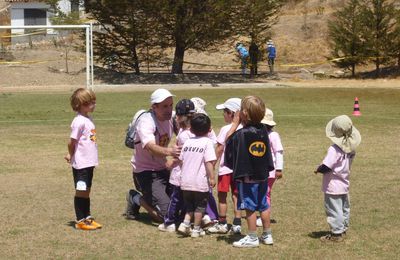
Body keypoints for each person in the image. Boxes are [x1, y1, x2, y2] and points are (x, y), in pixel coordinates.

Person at [224, 96, 275, 248]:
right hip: (262, 175)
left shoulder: (242, 134)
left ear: (244, 114)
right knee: (263, 205)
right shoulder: (264, 130)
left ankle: (252, 237)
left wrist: (235, 123)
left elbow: (228, 141)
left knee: (250, 206)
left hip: (248, 177)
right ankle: (267, 234)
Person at [126, 88, 181, 221]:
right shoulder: (146, 121)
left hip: (163, 169)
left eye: (170, 105)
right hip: (146, 173)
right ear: (154, 107)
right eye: (164, 106)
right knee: (166, 216)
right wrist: (169, 152)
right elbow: (150, 146)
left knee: (178, 206)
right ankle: (135, 198)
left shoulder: (171, 117)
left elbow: (186, 128)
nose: (169, 109)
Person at [314, 115, 361, 242]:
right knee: (344, 208)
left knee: (333, 209)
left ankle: (336, 233)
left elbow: (327, 166)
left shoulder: (334, 149)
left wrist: (318, 169)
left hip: (333, 185)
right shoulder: (351, 149)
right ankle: (343, 228)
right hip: (344, 183)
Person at [64, 88, 102, 230]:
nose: (93, 105)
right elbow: (71, 142)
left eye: (94, 101)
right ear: (80, 105)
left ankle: (87, 217)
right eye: (89, 103)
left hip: (89, 163)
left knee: (87, 190)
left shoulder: (88, 119)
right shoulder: (79, 121)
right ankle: (80, 220)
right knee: (81, 191)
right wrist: (71, 155)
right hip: (81, 164)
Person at [158, 99, 196, 232]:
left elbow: (181, 155)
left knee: (175, 199)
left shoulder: (184, 135)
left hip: (180, 172)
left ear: (179, 117)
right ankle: (183, 220)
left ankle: (169, 222)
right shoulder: (196, 133)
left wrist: (171, 162)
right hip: (192, 173)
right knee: (187, 200)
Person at [177, 114, 217, 238]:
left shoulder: (188, 142)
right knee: (200, 206)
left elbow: (181, 160)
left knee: (189, 205)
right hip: (199, 181)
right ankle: (196, 229)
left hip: (185, 181)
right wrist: (211, 177)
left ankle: (185, 224)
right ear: (209, 129)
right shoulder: (207, 142)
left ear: (191, 129)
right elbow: (209, 162)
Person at [208, 98, 243, 235]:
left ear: (232, 113)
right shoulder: (245, 128)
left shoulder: (225, 129)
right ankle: (237, 223)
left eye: (225, 111)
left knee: (222, 196)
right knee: (237, 196)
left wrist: (212, 164)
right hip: (240, 169)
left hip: (226, 169)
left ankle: (222, 223)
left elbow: (219, 149)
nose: (223, 114)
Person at [256, 108, 284, 227]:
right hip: (259, 169)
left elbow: (279, 152)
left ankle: (264, 215)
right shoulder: (258, 134)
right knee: (260, 192)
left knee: (265, 193)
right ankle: (262, 213)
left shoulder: (273, 135)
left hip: (270, 170)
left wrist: (279, 169)